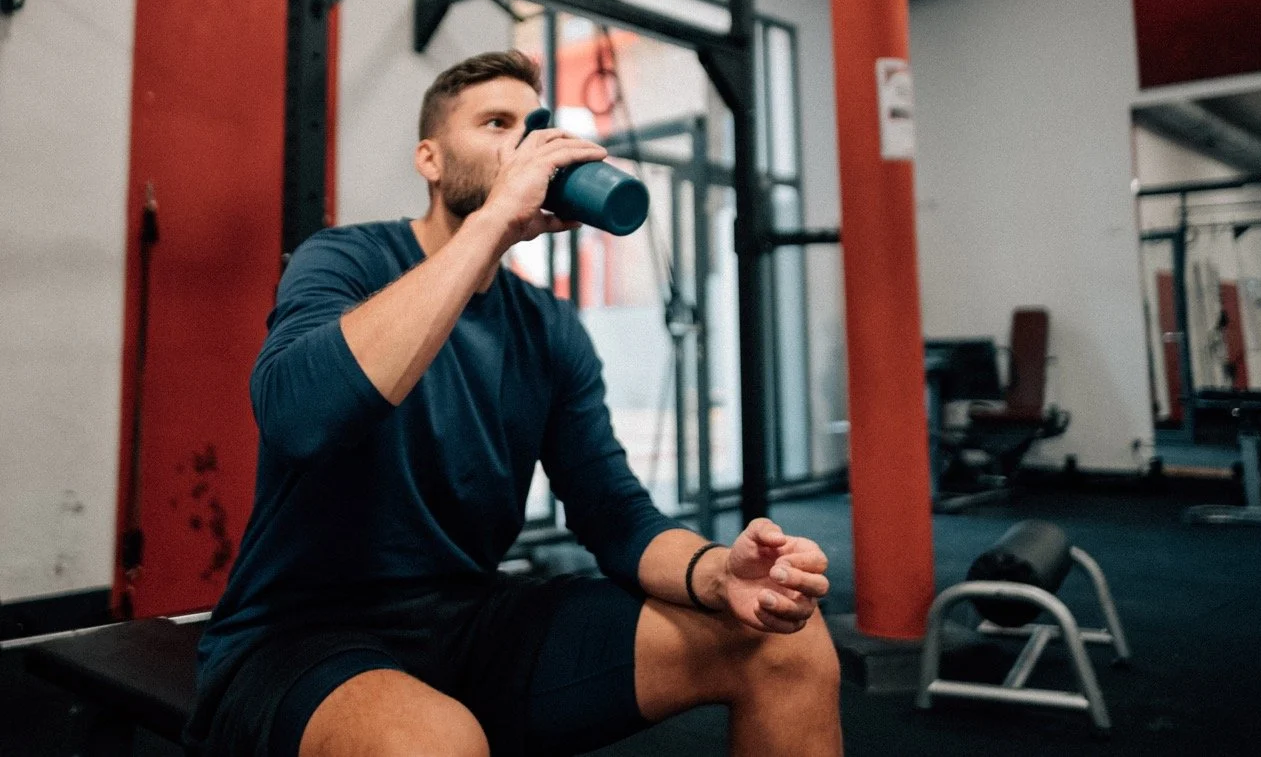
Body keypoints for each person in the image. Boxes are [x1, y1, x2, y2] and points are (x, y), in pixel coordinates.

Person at [184, 50, 843, 757]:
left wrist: (716, 573)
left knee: (785, 642)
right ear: (430, 160)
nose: (522, 142)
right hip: (297, 631)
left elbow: (612, 510)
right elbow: (298, 416)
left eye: (531, 125)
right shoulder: (344, 259)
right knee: (437, 743)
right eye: (495, 122)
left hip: (472, 616)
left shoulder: (550, 326)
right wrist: (495, 219)